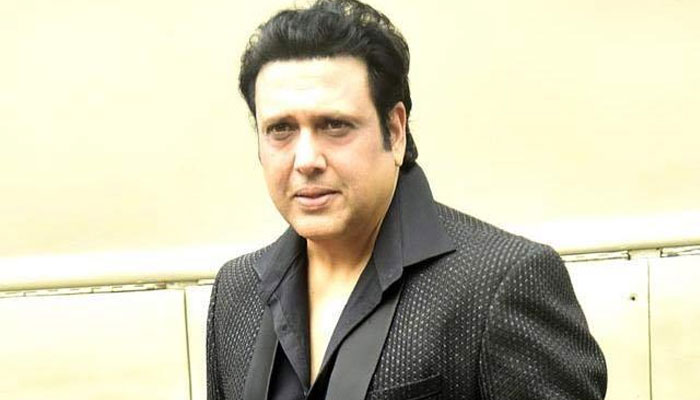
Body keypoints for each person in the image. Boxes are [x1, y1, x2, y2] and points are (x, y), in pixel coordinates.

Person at [206, 0, 607, 399]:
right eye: (280, 129)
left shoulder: (499, 282)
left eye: (334, 125)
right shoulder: (236, 290)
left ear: (395, 131)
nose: (307, 159)